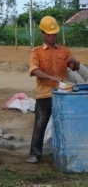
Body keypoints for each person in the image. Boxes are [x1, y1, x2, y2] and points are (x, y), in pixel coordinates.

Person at [27, 15, 80, 164]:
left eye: (54, 34)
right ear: (43, 34)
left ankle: (66, 151)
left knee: (65, 123)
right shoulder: (36, 52)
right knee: (40, 123)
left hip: (63, 95)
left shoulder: (63, 50)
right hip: (45, 94)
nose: (52, 37)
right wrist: (52, 77)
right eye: (49, 34)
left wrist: (75, 62)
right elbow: (34, 70)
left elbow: (74, 68)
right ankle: (35, 154)